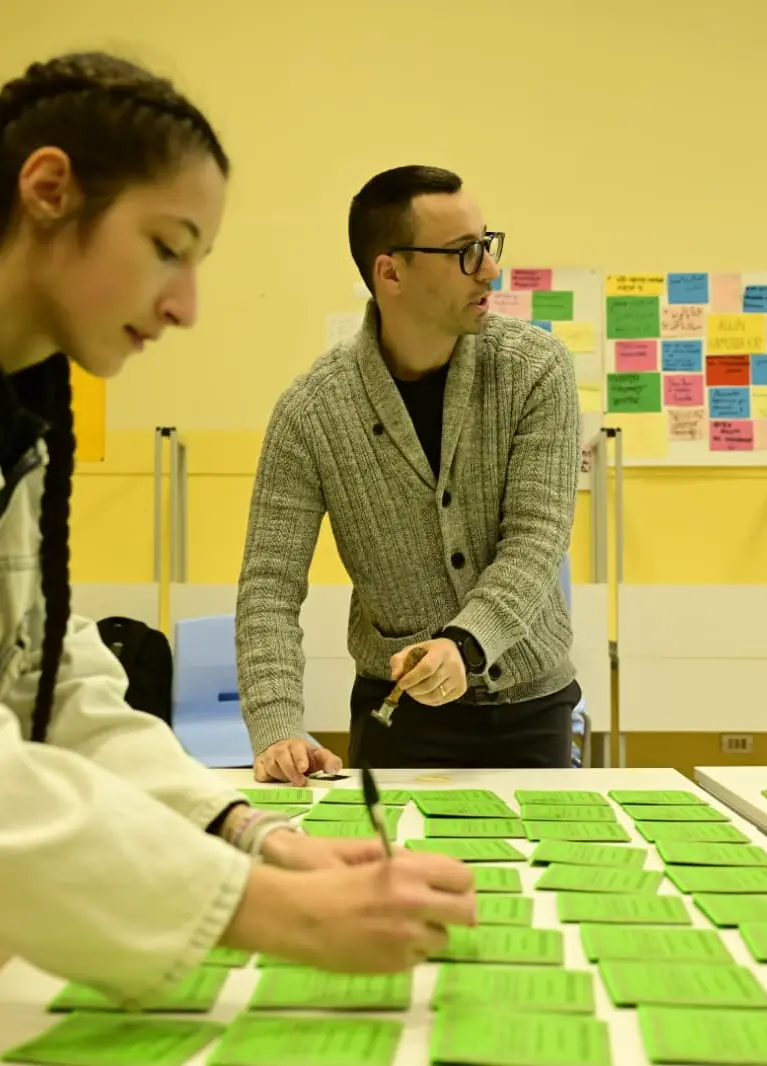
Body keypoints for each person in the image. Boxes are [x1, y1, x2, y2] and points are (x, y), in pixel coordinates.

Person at [0, 57, 475, 1008]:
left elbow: (49, 685)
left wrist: (246, 832)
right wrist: (257, 909)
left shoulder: (23, 421)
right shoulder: (317, 406)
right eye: (167, 247)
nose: (185, 307)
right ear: (50, 190)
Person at [237, 165, 582, 784]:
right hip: (397, 715)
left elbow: (538, 536)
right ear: (389, 271)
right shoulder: (312, 411)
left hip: (531, 706)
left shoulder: (535, 369)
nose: (489, 270)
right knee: (391, 877)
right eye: (463, 254)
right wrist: (278, 726)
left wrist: (465, 643)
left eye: (488, 244)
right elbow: (268, 586)